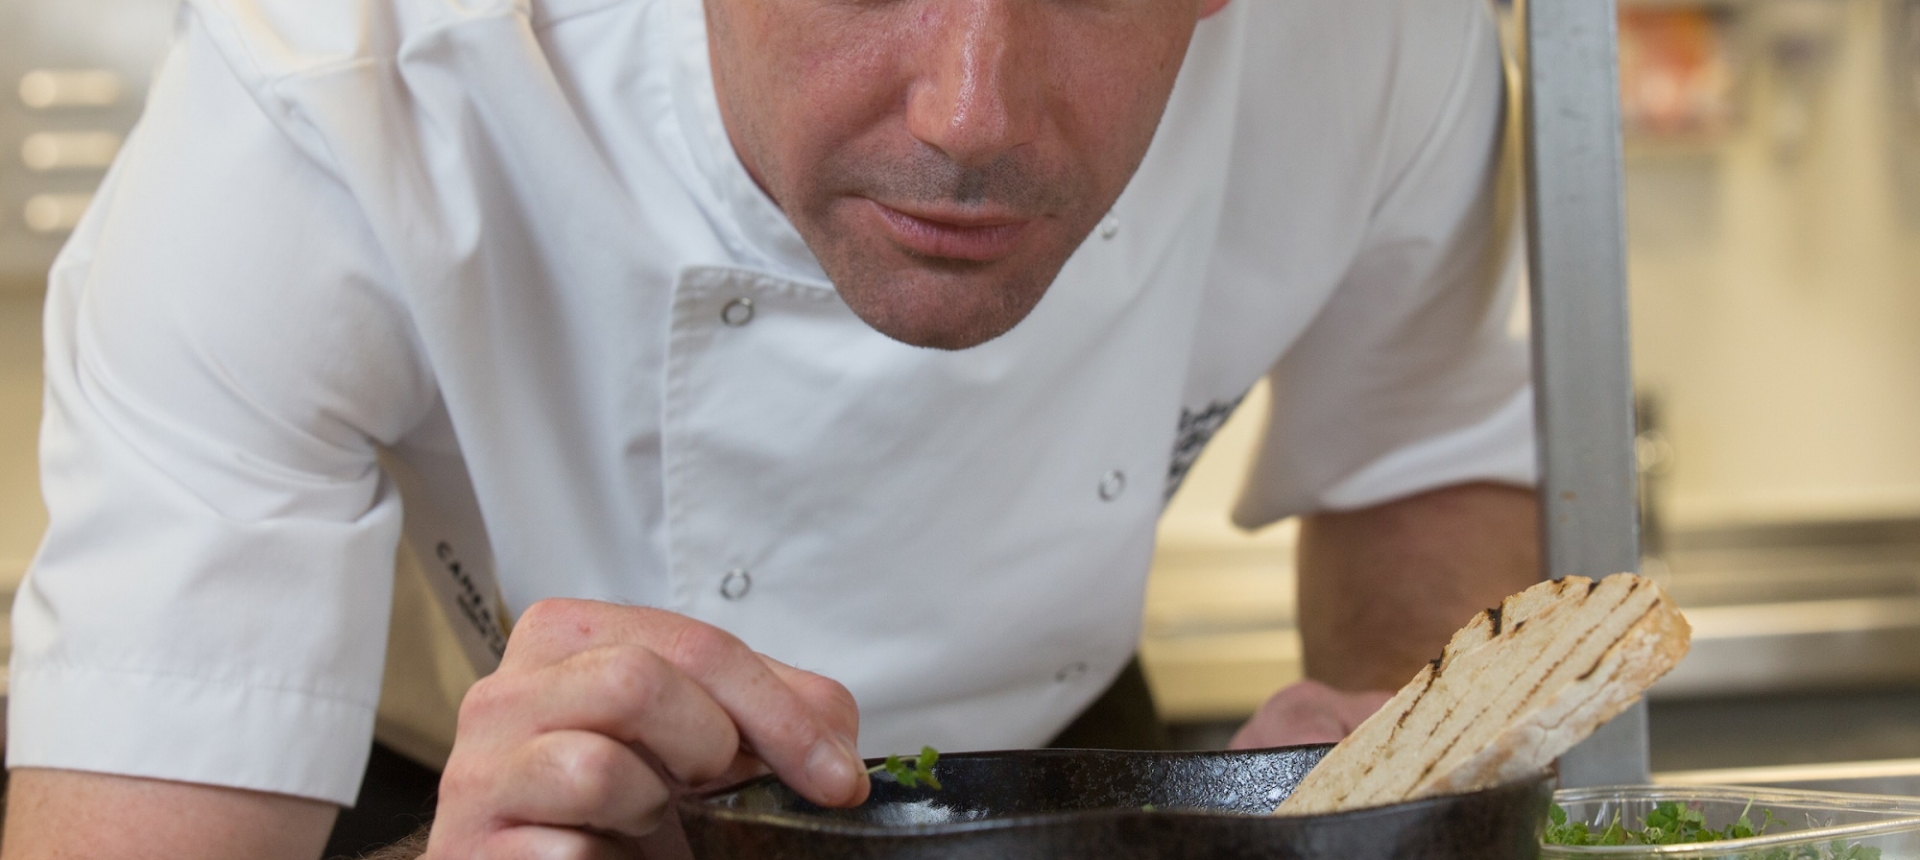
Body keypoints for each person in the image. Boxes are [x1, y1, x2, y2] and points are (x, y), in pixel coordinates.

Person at [2, 0, 1542, 855]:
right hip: (472, 805)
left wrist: (1397, 794)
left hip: (1063, 779)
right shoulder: (326, 109)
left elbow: (1430, 456)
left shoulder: (1378, 41)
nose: (969, 115)